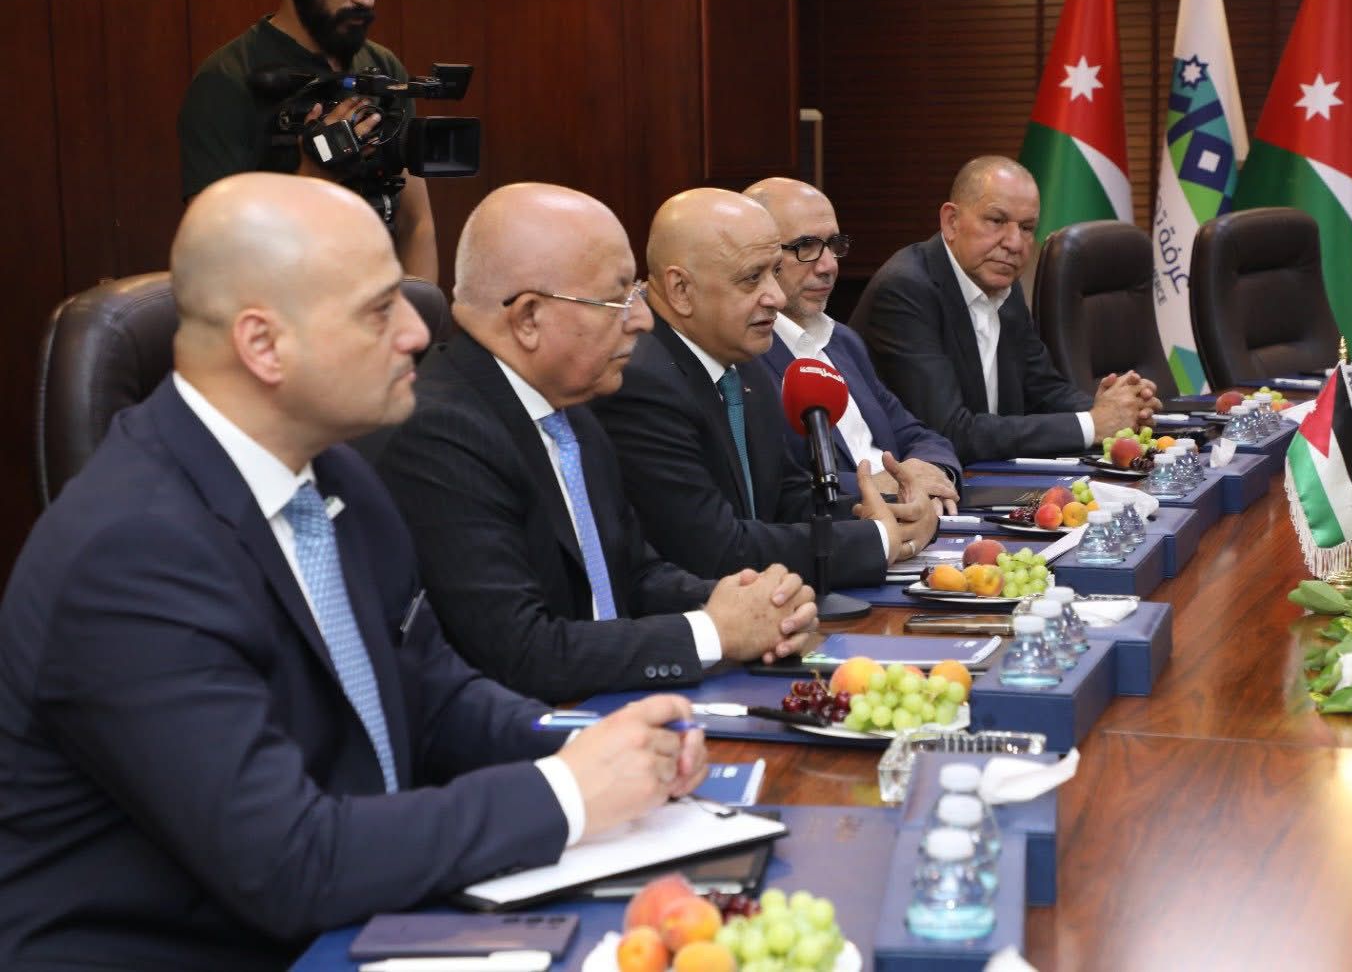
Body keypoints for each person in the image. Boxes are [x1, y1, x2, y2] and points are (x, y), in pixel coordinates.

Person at [0, 173, 704, 969]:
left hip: (360, 916)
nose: (416, 331)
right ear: (263, 345)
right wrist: (568, 792)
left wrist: (595, 744)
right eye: (379, 310)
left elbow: (434, 697)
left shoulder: (334, 477)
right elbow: (288, 863)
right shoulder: (131, 554)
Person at [372, 184, 819, 702]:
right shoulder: (441, 433)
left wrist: (745, 601)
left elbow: (632, 573)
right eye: (618, 299)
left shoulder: (572, 408)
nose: (642, 319)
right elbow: (519, 652)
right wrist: (712, 632)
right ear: (529, 318)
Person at [591, 188, 938, 587]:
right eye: (752, 278)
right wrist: (876, 540)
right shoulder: (641, 382)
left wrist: (898, 514)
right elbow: (713, 551)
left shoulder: (743, 360)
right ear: (681, 290)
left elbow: (788, 501)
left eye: (774, 272)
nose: (775, 296)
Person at [177, 0, 438, 281]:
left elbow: (417, 222)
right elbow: (215, 252)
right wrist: (313, 176)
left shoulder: (384, 69)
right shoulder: (227, 80)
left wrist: (419, 312)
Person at [850, 155, 1160, 463]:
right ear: (951, 222)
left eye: (1026, 227)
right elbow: (948, 433)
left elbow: (1043, 390)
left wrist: (1113, 407)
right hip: (917, 482)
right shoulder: (906, 290)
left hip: (991, 472)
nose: (1014, 243)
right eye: (996, 221)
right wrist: (1093, 424)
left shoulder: (1001, 284)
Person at [745, 177, 962, 515]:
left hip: (919, 516)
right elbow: (779, 487)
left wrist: (933, 472)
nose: (829, 265)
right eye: (806, 246)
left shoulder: (843, 341)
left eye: (834, 244)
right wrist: (881, 485)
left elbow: (916, 434)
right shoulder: (747, 357)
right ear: (760, 257)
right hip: (850, 527)